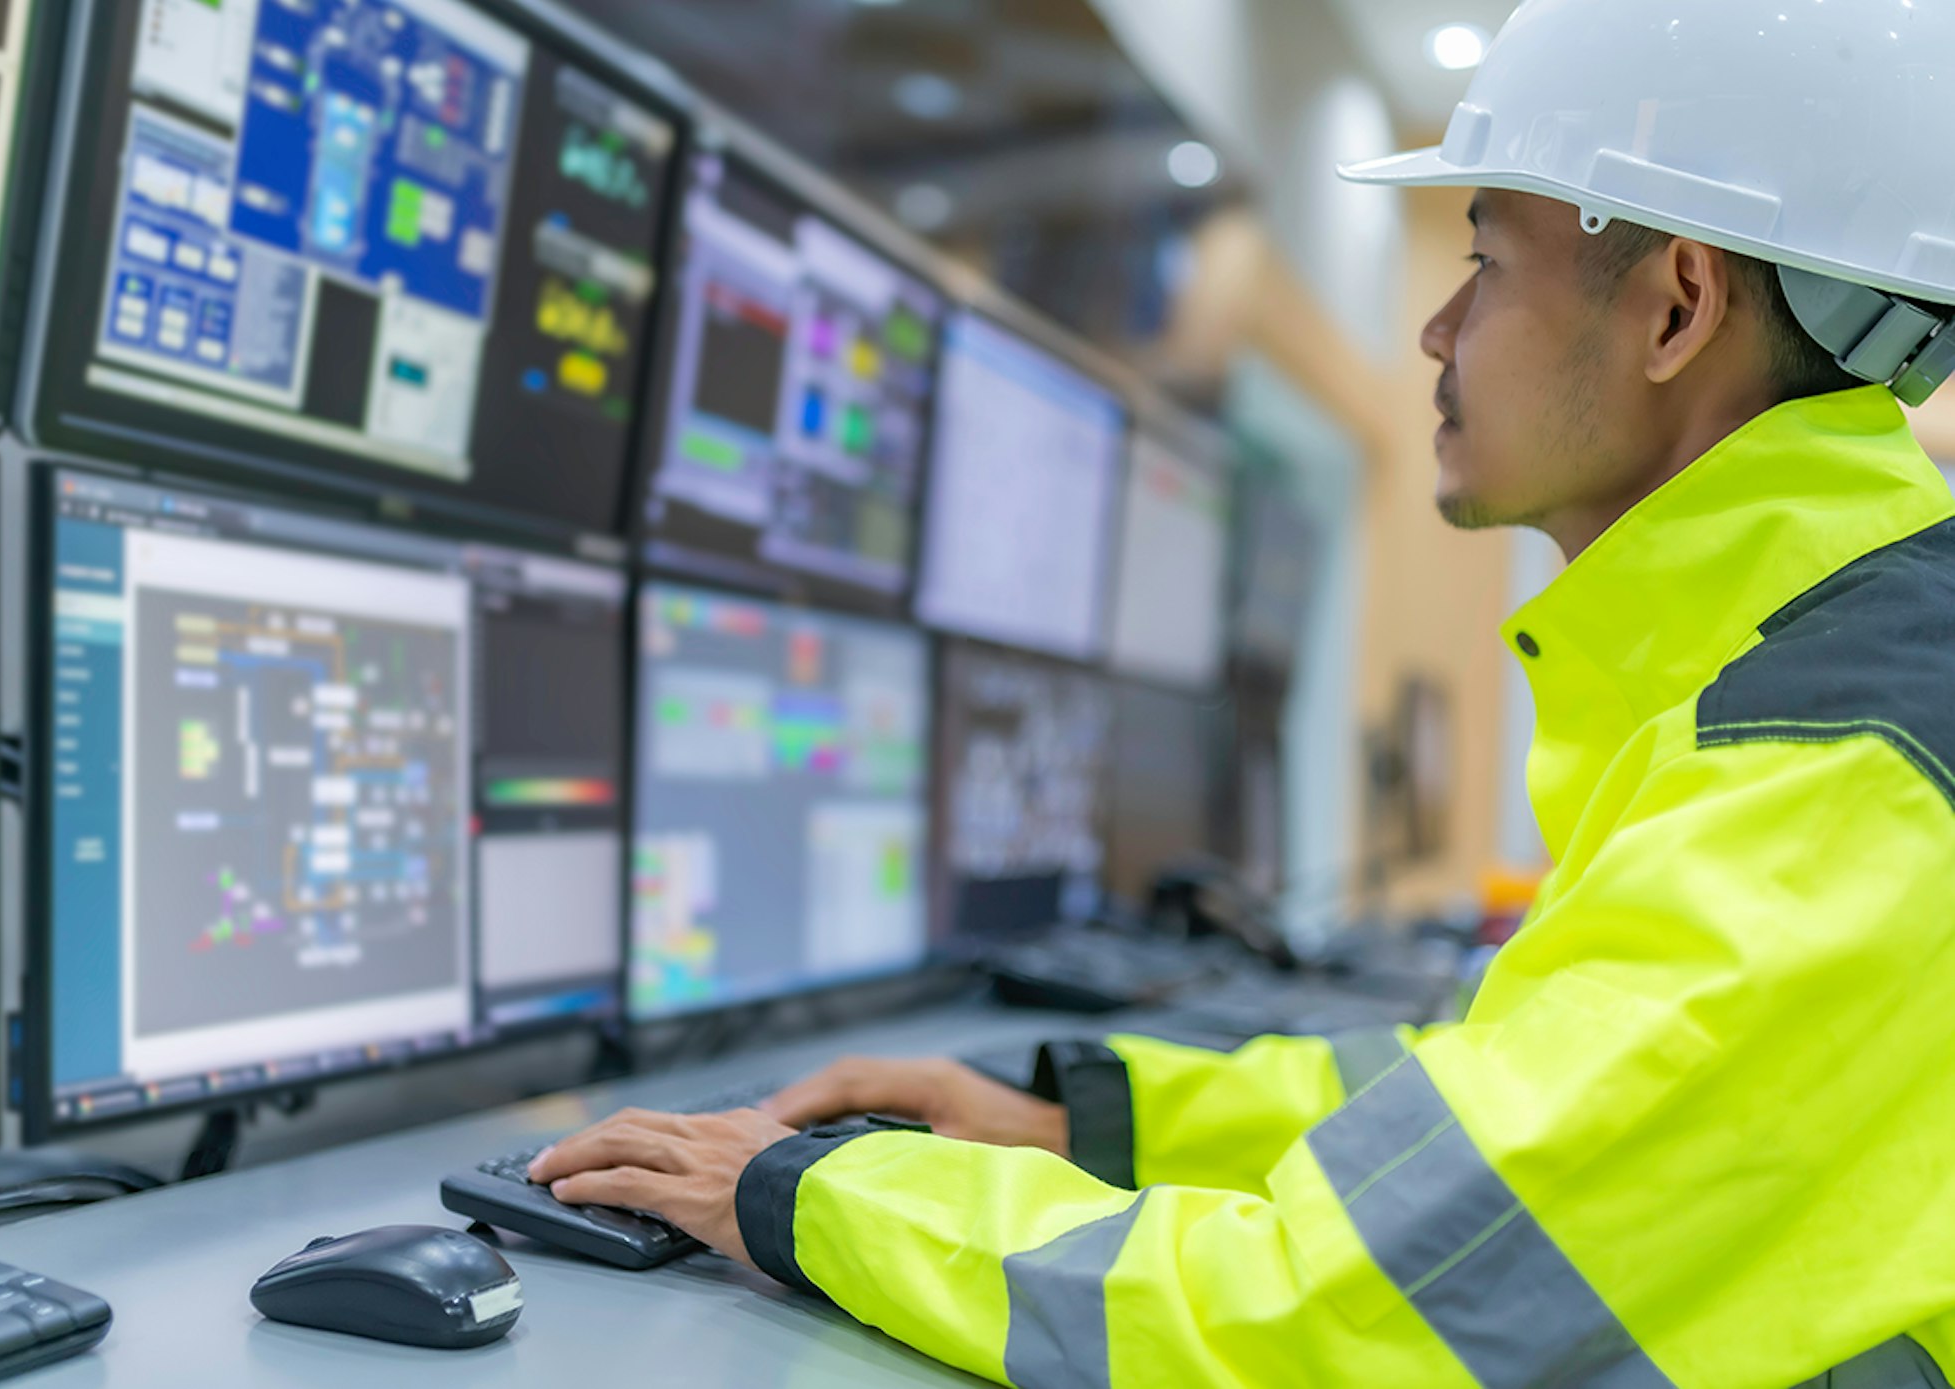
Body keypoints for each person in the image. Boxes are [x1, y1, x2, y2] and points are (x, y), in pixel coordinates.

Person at [530, 1, 1955, 1383]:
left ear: (1677, 305)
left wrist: (805, 1196)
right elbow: (1493, 1117)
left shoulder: (1842, 776)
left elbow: (1331, 1324)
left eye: (1486, 263)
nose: (1439, 331)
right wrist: (1088, 1121)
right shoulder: (1794, 680)